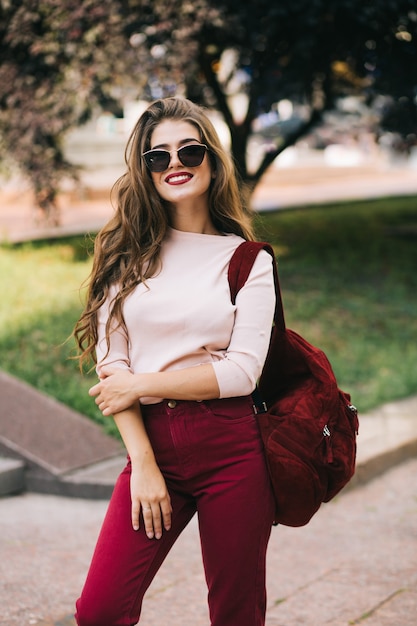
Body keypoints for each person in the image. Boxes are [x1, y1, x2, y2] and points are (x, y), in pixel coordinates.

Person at [73, 96, 276, 626]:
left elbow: (241, 372)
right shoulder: (125, 255)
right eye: (157, 156)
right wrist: (142, 462)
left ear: (211, 159)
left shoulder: (247, 260)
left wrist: (141, 384)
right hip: (152, 446)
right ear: (143, 170)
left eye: (189, 150)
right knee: (100, 610)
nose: (175, 164)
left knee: (236, 612)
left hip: (232, 450)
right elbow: (110, 366)